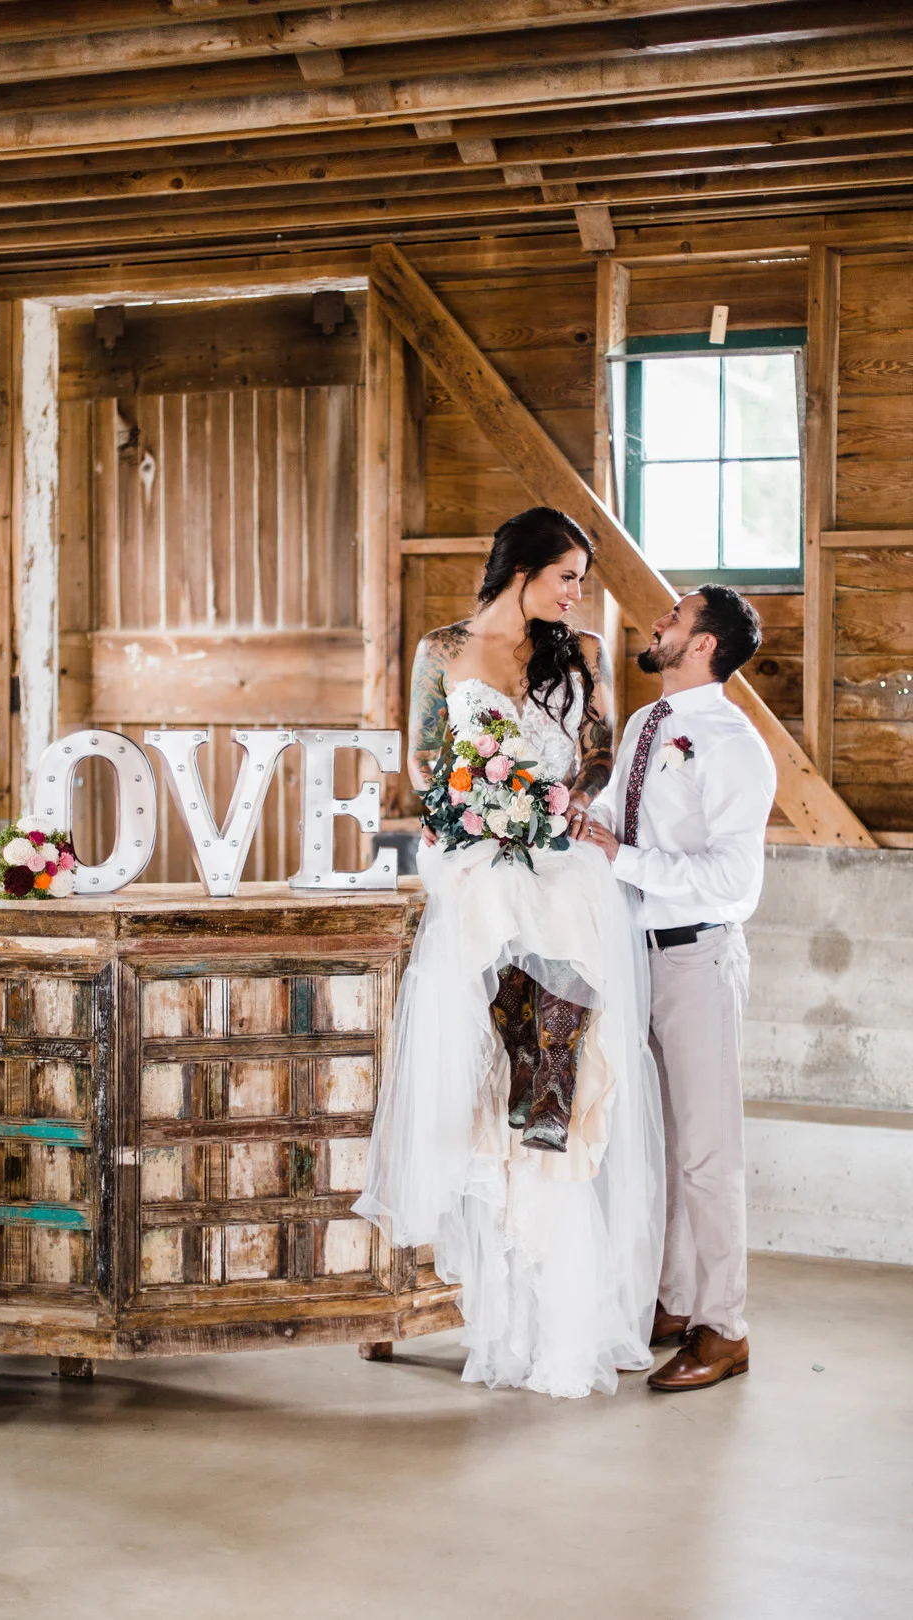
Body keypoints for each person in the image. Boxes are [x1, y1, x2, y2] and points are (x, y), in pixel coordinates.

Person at [354, 507, 665, 1400]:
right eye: (567, 575)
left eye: (582, 579)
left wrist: (553, 800)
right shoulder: (441, 650)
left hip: (561, 887)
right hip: (476, 887)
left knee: (550, 1082)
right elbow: (423, 766)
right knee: (487, 1085)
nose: (577, 593)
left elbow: (597, 757)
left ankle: (565, 1322)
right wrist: (482, 801)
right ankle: (505, 1317)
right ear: (520, 570)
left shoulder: (587, 652)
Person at [574, 586, 776, 1392]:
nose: (659, 621)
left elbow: (736, 882)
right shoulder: (644, 725)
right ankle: (671, 1301)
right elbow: (620, 823)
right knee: (653, 1142)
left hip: (696, 958)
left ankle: (725, 1327)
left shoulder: (732, 744)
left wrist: (618, 859)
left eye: (675, 616)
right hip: (633, 954)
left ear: (703, 646)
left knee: (707, 1153)